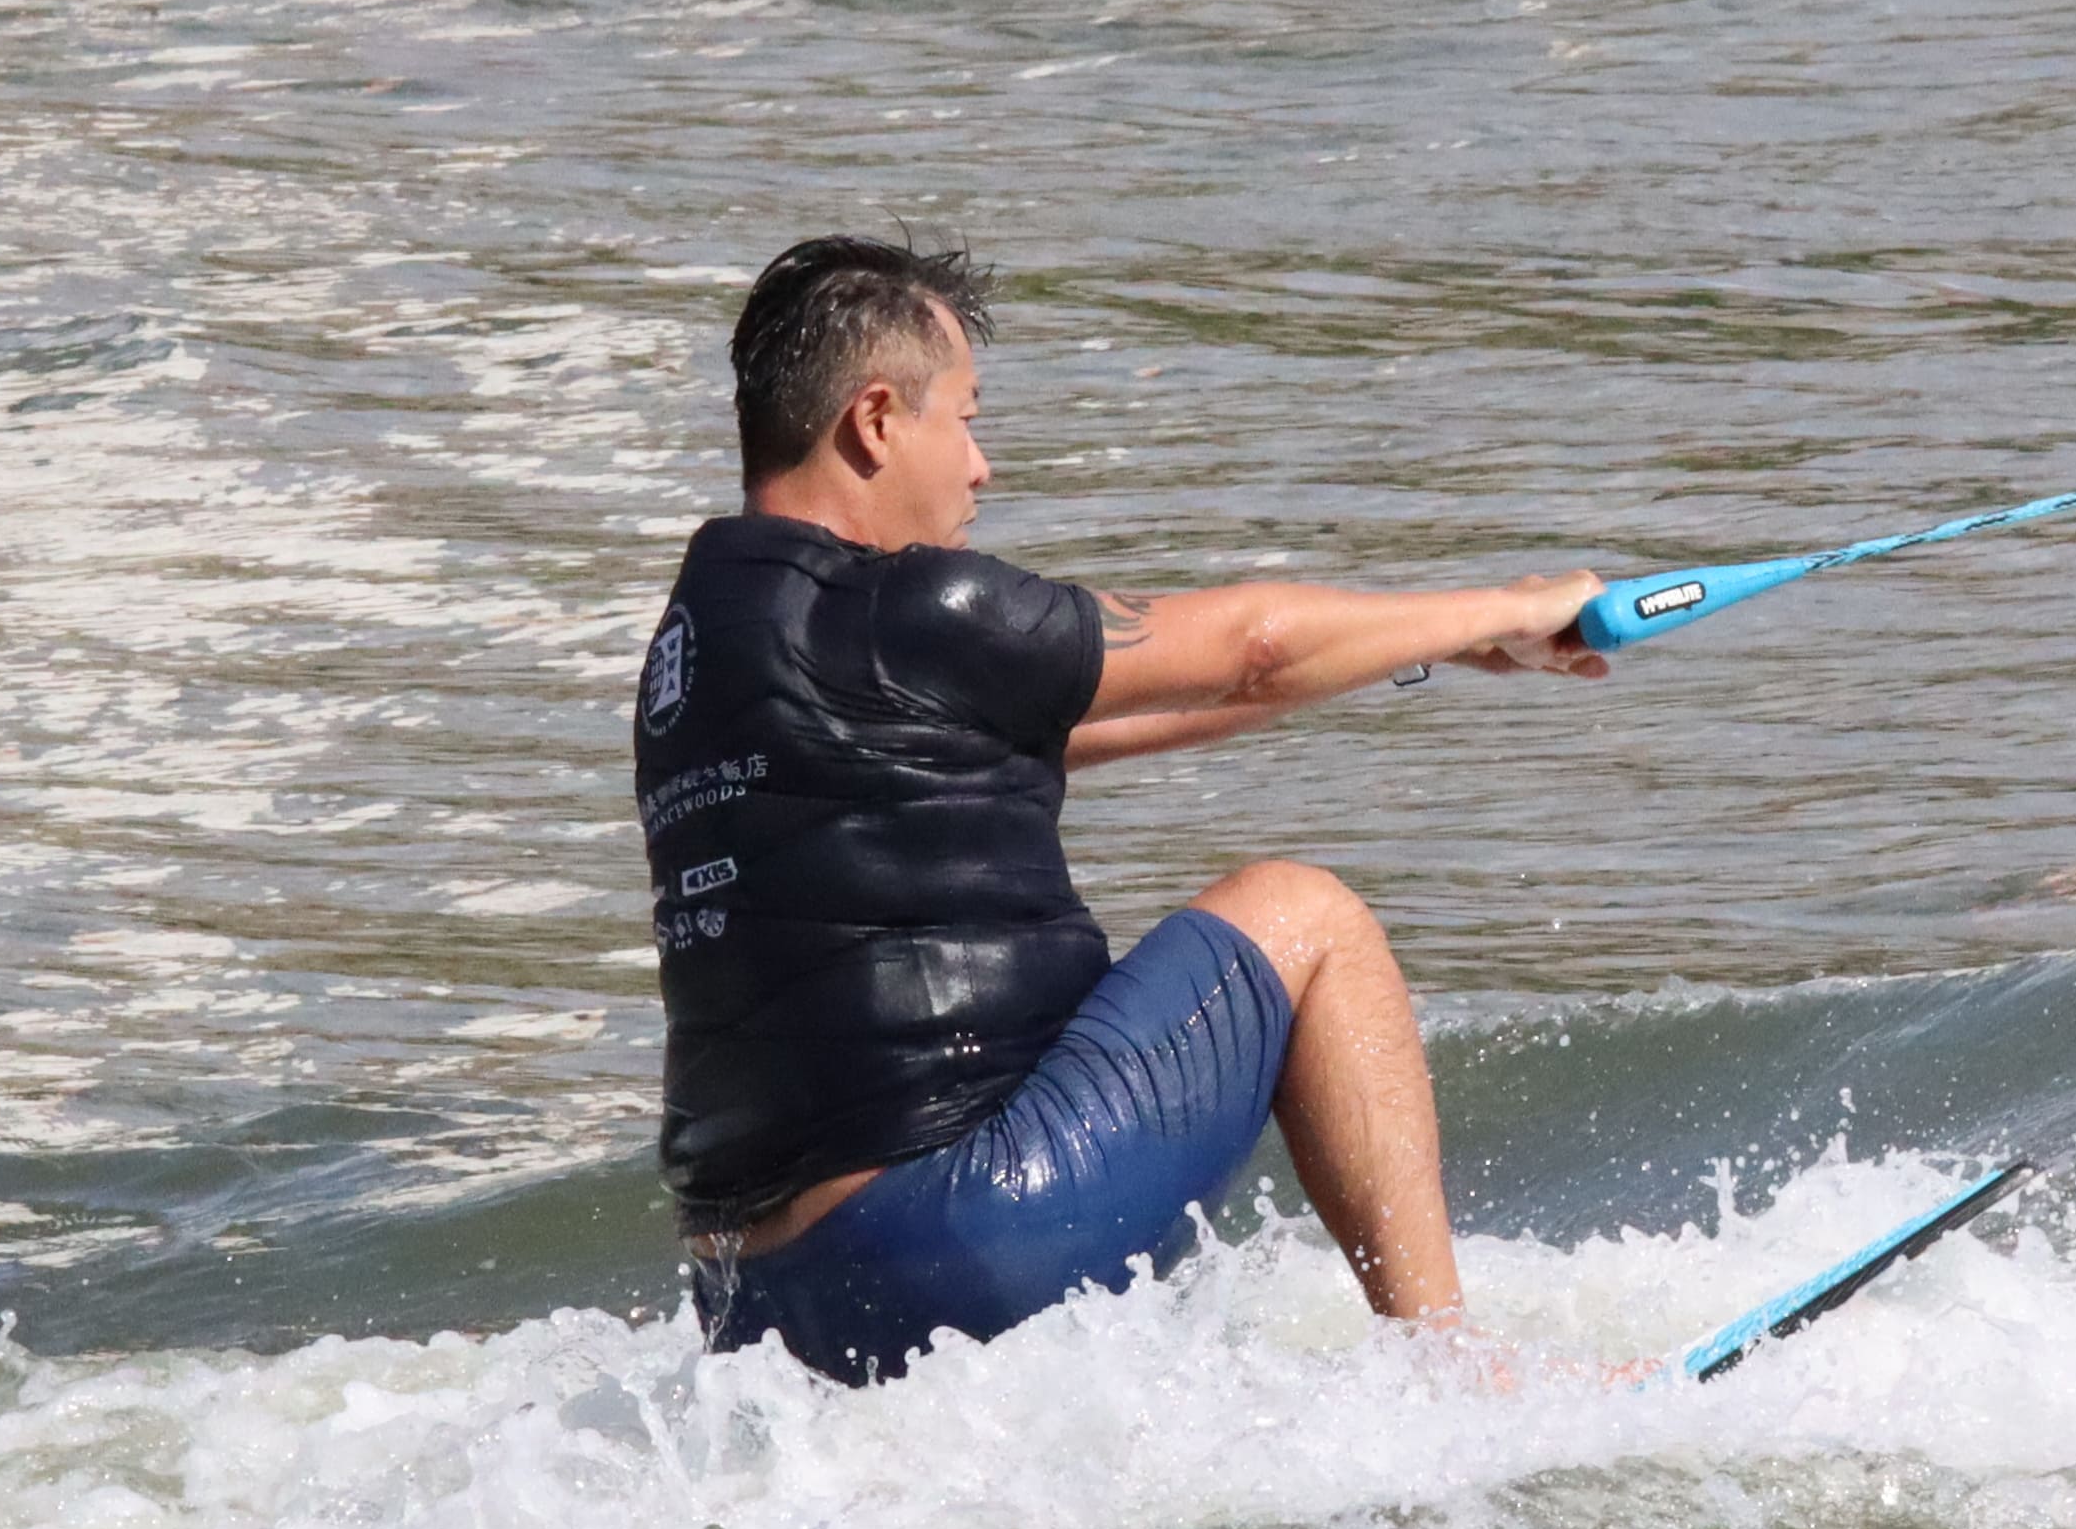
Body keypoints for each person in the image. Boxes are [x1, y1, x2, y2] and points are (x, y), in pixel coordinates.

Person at [640, 234, 1607, 1386]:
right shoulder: (915, 606)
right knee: (1307, 916)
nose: (982, 467)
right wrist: (1509, 602)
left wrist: (1434, 650)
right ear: (877, 419)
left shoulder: (704, 650)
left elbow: (1106, 715)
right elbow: (1251, 650)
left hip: (758, 1307)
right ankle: (1461, 1372)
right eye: (967, 415)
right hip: (956, 1236)